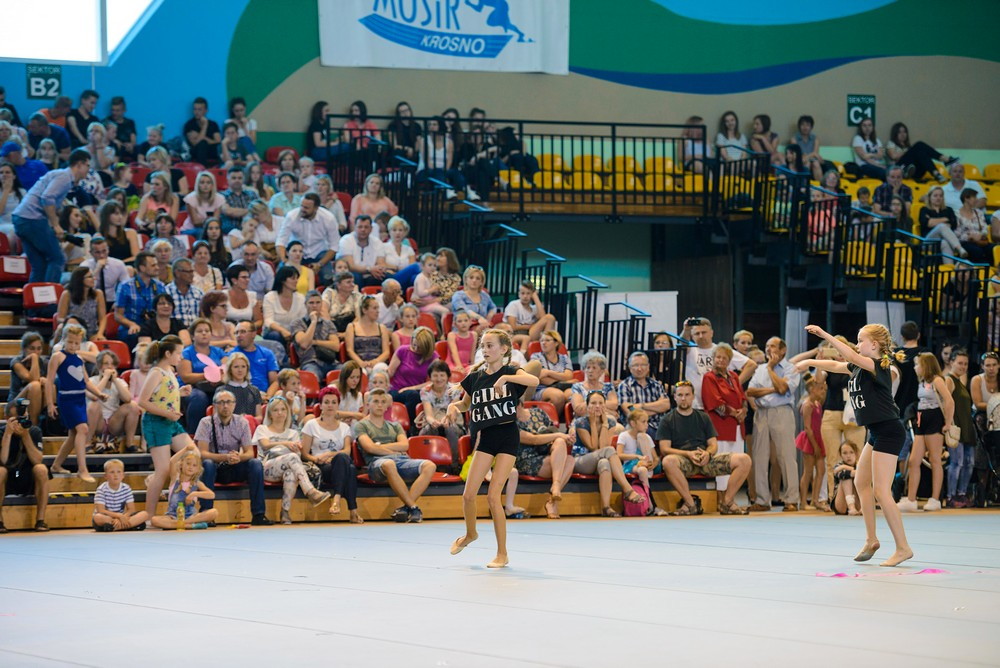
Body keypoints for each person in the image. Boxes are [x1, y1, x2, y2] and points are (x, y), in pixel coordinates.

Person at [801, 323, 912, 566]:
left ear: (874, 345)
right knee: (861, 482)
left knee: (882, 491)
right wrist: (811, 364)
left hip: (889, 431)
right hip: (875, 431)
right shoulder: (859, 368)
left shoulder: (879, 367)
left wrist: (825, 335)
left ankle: (903, 548)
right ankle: (871, 539)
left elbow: (849, 355)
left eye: (861, 340)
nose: (857, 345)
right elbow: (838, 365)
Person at [446, 329, 539, 566]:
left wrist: (507, 378)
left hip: (508, 435)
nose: (485, 350)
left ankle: (502, 554)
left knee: (493, 495)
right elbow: (466, 404)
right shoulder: (476, 377)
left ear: (503, 349)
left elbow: (534, 380)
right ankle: (470, 534)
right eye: (483, 346)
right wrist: (453, 408)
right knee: (468, 495)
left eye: (490, 346)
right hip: (486, 437)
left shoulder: (511, 371)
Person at [657, 381, 751, 515]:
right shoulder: (667, 420)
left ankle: (727, 502)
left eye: (687, 395)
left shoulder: (703, 417)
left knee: (744, 459)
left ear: (693, 396)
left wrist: (708, 453)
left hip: (705, 459)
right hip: (684, 460)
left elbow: (713, 444)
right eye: (680, 395)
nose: (683, 398)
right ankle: (690, 504)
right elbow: (664, 449)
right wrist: (688, 454)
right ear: (675, 397)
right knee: (668, 461)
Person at [355, 388, 436, 522]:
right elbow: (369, 447)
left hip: (401, 460)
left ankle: (406, 508)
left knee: (429, 465)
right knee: (389, 463)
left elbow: (405, 445)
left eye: (382, 402)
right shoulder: (361, 425)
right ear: (368, 405)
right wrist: (392, 450)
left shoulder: (395, 425)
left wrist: (379, 446)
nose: (380, 405)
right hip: (376, 464)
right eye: (375, 401)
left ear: (387, 405)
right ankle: (414, 507)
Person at [12, 148, 91, 283]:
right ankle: (50, 301)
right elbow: (47, 198)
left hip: (21, 219)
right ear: (79, 164)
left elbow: (50, 201)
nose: (89, 169)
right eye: (87, 165)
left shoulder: (61, 175)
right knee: (57, 258)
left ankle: (36, 301)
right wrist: (55, 225)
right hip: (32, 218)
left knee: (39, 265)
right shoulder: (65, 177)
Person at [195, 389, 272, 525]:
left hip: (235, 466)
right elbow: (203, 453)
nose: (225, 406)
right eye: (221, 402)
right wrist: (225, 457)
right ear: (214, 405)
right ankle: (206, 514)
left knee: (255, 464)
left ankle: (259, 515)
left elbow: (249, 453)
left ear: (234, 405)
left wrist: (238, 458)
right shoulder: (205, 422)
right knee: (207, 463)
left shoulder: (242, 422)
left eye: (229, 402)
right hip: (215, 468)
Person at [138, 337, 195, 518]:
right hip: (156, 422)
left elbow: (162, 395)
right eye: (178, 353)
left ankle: (160, 482)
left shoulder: (170, 370)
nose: (181, 357)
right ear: (168, 354)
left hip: (170, 422)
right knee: (162, 470)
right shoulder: (156, 372)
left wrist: (180, 393)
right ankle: (149, 515)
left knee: (193, 454)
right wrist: (168, 414)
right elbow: (143, 401)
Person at [46, 324, 108, 483]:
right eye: (70, 342)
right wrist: (50, 403)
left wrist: (99, 394)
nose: (73, 346)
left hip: (80, 398)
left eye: (76, 343)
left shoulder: (79, 359)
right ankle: (82, 469)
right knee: (83, 429)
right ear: (63, 340)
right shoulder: (58, 356)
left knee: (74, 435)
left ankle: (56, 465)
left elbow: (85, 381)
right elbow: (49, 381)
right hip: (67, 399)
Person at [747, 337, 801, 512]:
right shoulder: (760, 368)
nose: (769, 349)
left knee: (786, 456)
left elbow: (784, 389)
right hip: (761, 413)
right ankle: (762, 500)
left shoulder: (791, 368)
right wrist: (772, 388)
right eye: (767, 346)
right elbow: (751, 391)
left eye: (773, 346)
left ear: (783, 350)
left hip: (782, 412)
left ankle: (791, 499)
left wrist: (771, 368)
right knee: (759, 456)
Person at [897, 353, 953, 512]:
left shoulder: (937, 380)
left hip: (934, 419)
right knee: (914, 460)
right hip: (921, 419)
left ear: (926, 365)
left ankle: (935, 499)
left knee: (935, 459)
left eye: (918, 364)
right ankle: (911, 499)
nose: (915, 367)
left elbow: (949, 401)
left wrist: (947, 423)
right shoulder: (922, 382)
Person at [302, 387, 362, 523]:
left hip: (339, 464)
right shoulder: (311, 425)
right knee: (349, 468)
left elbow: (347, 451)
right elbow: (304, 454)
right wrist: (316, 458)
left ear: (338, 405)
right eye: (327, 402)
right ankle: (353, 511)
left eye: (334, 402)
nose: (330, 405)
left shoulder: (344, 427)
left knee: (345, 462)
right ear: (321, 404)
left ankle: (337, 500)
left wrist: (330, 453)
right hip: (321, 467)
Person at [700, 343, 747, 502]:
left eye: (724, 358)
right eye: (718, 357)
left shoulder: (733, 376)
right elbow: (714, 402)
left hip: (737, 427)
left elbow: (742, 397)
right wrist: (735, 413)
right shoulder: (709, 377)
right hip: (720, 426)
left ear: (729, 360)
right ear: (713, 359)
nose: (720, 360)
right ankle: (720, 500)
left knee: (737, 463)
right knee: (722, 464)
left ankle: (730, 499)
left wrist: (744, 411)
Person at [682, 317, 756, 410]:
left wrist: (734, 384)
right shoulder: (689, 351)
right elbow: (682, 343)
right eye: (697, 333)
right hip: (695, 405)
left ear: (711, 333)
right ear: (692, 336)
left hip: (719, 406)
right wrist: (686, 330)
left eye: (704, 332)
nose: (701, 336)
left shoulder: (721, 350)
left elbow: (751, 365)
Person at [0, 405, 49, 532]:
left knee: (42, 469)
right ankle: (0, 521)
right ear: (6, 418)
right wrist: (8, 435)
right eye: (16, 419)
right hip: (8, 476)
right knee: (0, 471)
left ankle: (40, 521)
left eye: (23, 417)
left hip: (27, 475)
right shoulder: (1, 431)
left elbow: (37, 460)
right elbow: (3, 460)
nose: (20, 422)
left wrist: (25, 436)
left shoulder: (34, 431)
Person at [276, 193, 341, 285]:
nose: (302, 209)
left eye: (306, 208)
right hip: (297, 251)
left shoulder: (328, 218)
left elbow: (334, 246)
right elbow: (280, 241)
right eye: (301, 206)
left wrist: (320, 264)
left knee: (328, 278)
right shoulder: (291, 216)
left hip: (320, 252)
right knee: (281, 273)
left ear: (316, 208)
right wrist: (285, 260)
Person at [150, 445, 218, 529]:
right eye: (188, 464)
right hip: (172, 516)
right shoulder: (175, 479)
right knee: (154, 520)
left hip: (191, 517)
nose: (190, 467)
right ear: (181, 464)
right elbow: (172, 461)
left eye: (194, 465)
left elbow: (211, 495)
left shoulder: (197, 483)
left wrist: (194, 494)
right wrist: (185, 449)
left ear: (198, 469)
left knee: (214, 512)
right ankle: (190, 526)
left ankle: (182, 524)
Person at [86, 350, 140, 453]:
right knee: (94, 404)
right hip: (97, 422)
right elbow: (94, 396)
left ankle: (130, 444)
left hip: (114, 423)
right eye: (106, 363)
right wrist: (105, 378)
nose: (109, 367)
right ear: (99, 366)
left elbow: (127, 399)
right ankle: (87, 443)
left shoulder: (120, 382)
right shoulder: (91, 381)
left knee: (132, 405)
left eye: (112, 364)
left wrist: (115, 380)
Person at [943, 350, 975, 508]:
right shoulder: (949, 380)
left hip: (967, 427)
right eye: (960, 363)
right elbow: (945, 404)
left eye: (966, 364)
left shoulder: (961, 382)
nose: (963, 366)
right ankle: (950, 496)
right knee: (957, 463)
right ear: (951, 362)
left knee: (969, 463)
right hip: (955, 427)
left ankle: (961, 494)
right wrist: (948, 424)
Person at [388, 326, 438, 421]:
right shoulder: (402, 350)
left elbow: (434, 382)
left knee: (418, 395)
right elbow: (389, 372)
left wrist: (411, 388)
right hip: (397, 390)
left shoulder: (433, 357)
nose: (415, 348)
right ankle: (410, 425)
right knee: (413, 396)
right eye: (414, 345)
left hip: (417, 390)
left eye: (419, 347)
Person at [618, 351, 671, 437]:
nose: (639, 369)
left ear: (648, 367)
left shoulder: (656, 385)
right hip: (636, 427)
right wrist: (657, 408)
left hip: (659, 426)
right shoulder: (624, 385)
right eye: (635, 365)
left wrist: (641, 406)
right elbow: (630, 412)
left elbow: (666, 405)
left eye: (643, 365)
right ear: (630, 368)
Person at [291, 290, 341, 381]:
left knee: (345, 373)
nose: (314, 306)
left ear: (321, 304)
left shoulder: (328, 324)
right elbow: (304, 344)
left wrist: (315, 342)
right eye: (311, 303)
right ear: (305, 304)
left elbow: (336, 346)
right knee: (312, 377)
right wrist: (313, 322)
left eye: (318, 302)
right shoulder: (297, 323)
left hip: (330, 361)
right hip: (310, 362)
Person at [794, 374, 827, 510]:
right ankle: (803, 502)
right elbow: (807, 428)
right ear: (812, 390)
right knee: (807, 471)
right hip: (810, 439)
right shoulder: (807, 405)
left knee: (821, 470)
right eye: (820, 389)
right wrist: (815, 446)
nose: (823, 391)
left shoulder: (817, 403)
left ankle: (815, 499)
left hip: (818, 438)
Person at [90, 457, 148, 531]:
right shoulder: (101, 489)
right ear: (106, 476)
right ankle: (127, 526)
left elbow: (131, 509)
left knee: (144, 514)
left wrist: (123, 517)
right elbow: (101, 510)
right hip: (107, 518)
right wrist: (118, 516)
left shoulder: (126, 488)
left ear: (123, 475)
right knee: (97, 517)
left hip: (122, 517)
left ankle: (115, 527)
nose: (116, 475)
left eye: (119, 472)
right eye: (112, 472)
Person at [885, 122, 955, 182]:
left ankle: (937, 174)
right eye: (899, 132)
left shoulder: (908, 147)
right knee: (919, 145)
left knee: (921, 153)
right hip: (900, 170)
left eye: (904, 132)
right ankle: (944, 159)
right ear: (895, 134)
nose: (903, 134)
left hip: (915, 172)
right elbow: (893, 156)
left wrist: (910, 150)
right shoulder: (891, 143)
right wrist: (908, 151)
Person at [8, 332, 49, 426]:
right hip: (16, 403)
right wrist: (34, 359)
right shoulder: (17, 362)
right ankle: (33, 426)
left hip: (38, 402)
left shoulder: (45, 363)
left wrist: (46, 381)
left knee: (49, 385)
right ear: (24, 349)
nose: (36, 352)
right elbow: (33, 380)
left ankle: (49, 423)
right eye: (32, 348)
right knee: (35, 386)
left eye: (39, 348)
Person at [527, 329, 572, 414]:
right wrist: (561, 377)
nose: (543, 343)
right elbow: (544, 380)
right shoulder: (536, 357)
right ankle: (551, 423)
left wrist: (548, 373)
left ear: (556, 343)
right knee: (558, 396)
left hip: (561, 387)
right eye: (542, 340)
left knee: (572, 394)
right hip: (540, 389)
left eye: (547, 340)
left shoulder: (564, 357)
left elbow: (569, 375)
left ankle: (571, 424)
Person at [56, 266, 106, 342]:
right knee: (60, 328)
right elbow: (60, 318)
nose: (94, 279)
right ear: (79, 279)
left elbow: (102, 318)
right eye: (90, 277)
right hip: (72, 332)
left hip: (92, 333)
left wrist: (100, 334)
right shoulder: (67, 294)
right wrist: (72, 321)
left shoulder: (98, 294)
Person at [504, 280, 556, 351]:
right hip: (516, 334)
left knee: (550, 317)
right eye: (522, 293)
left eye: (528, 293)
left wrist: (536, 297)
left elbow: (544, 318)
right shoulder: (513, 305)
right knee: (549, 317)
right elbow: (513, 327)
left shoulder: (534, 308)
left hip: (531, 333)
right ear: (519, 294)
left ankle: (546, 343)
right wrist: (530, 326)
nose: (525, 296)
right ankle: (546, 343)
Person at [261, 265, 306, 346]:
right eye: (293, 278)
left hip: (294, 332)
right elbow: (268, 321)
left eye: (297, 278)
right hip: (274, 332)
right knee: (276, 335)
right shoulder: (270, 297)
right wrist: (283, 331)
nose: (296, 281)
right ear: (283, 280)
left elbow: (302, 320)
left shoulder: (301, 298)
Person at [336, 214, 386, 288]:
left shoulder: (377, 242)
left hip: (371, 274)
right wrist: (369, 269)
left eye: (366, 227)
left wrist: (378, 270)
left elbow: (381, 264)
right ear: (354, 228)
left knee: (387, 277)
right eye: (360, 227)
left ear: (371, 229)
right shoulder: (346, 240)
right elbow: (351, 266)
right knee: (356, 277)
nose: (363, 230)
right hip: (352, 273)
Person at [345, 295, 391, 372]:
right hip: (359, 362)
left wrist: (376, 361)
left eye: (378, 308)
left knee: (380, 369)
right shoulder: (351, 327)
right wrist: (361, 363)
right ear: (364, 310)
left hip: (377, 363)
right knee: (361, 372)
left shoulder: (382, 328)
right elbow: (349, 350)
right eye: (374, 308)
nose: (378, 311)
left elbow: (386, 352)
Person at [570, 351, 620, 421]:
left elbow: (614, 404)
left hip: (605, 420)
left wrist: (588, 404)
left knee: (618, 428)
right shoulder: (577, 387)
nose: (590, 371)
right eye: (588, 367)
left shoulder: (608, 386)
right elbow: (578, 409)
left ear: (602, 371)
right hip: (584, 421)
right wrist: (608, 411)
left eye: (594, 368)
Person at [919, 186, 965, 259]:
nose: (938, 198)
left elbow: (953, 224)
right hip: (928, 242)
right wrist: (945, 219)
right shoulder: (924, 210)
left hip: (945, 241)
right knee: (942, 226)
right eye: (935, 195)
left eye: (941, 196)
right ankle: (959, 248)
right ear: (930, 197)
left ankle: (949, 267)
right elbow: (927, 223)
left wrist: (933, 220)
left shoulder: (948, 210)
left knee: (944, 242)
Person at [234, 320, 279, 395]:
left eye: (243, 332)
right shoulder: (231, 356)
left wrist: (268, 397)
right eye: (236, 333)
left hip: (264, 394)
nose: (238, 335)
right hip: (242, 394)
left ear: (253, 334)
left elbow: (274, 381)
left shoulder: (267, 354)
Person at [955, 187, 993, 263]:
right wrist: (970, 237)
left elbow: (984, 228)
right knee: (976, 251)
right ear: (966, 198)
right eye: (974, 197)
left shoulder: (979, 212)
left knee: (992, 248)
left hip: (980, 240)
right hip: (965, 242)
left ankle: (991, 271)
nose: (977, 199)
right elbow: (957, 233)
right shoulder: (956, 214)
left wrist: (980, 236)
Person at [221, 352, 264, 419]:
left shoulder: (254, 390)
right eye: (236, 367)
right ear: (230, 369)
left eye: (243, 366)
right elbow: (217, 418)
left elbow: (259, 417)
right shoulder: (222, 391)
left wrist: (248, 420)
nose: (240, 370)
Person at [97, 198, 139, 263]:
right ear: (107, 216)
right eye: (116, 214)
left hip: (128, 266)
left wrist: (119, 264)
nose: (120, 217)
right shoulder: (99, 236)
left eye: (121, 214)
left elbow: (136, 256)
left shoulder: (130, 233)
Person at [183, 97, 221, 167]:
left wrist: (200, 136)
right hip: (196, 152)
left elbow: (218, 141)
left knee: (218, 147)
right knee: (202, 144)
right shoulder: (189, 125)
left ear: (206, 110)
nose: (197, 112)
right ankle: (203, 169)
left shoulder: (213, 124)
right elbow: (195, 143)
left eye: (199, 109)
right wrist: (205, 125)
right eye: (195, 109)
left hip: (211, 151)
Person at [219, 166, 258, 233]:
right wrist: (250, 211)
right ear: (227, 179)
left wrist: (237, 211)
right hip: (230, 230)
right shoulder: (221, 195)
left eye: (240, 178)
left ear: (243, 179)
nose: (237, 180)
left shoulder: (252, 194)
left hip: (252, 229)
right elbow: (229, 211)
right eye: (234, 178)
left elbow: (259, 211)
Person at [225, 264, 262, 328]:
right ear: (234, 280)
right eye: (244, 277)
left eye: (248, 277)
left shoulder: (252, 296)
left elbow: (259, 320)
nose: (248, 280)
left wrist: (249, 328)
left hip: (247, 332)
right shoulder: (223, 296)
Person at [831, 443, 861, 516]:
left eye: (851, 452)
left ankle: (862, 508)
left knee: (861, 479)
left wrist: (845, 467)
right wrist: (851, 470)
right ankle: (851, 507)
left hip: (858, 503)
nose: (848, 456)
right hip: (841, 505)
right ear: (841, 455)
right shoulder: (838, 466)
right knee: (845, 477)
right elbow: (840, 474)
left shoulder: (860, 465)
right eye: (845, 453)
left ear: (856, 453)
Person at [104, 96, 136, 161]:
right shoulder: (106, 122)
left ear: (124, 110)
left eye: (117, 110)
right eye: (113, 110)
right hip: (113, 149)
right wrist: (114, 141)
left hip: (127, 150)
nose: (114, 113)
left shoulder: (130, 122)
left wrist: (131, 145)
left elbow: (133, 138)